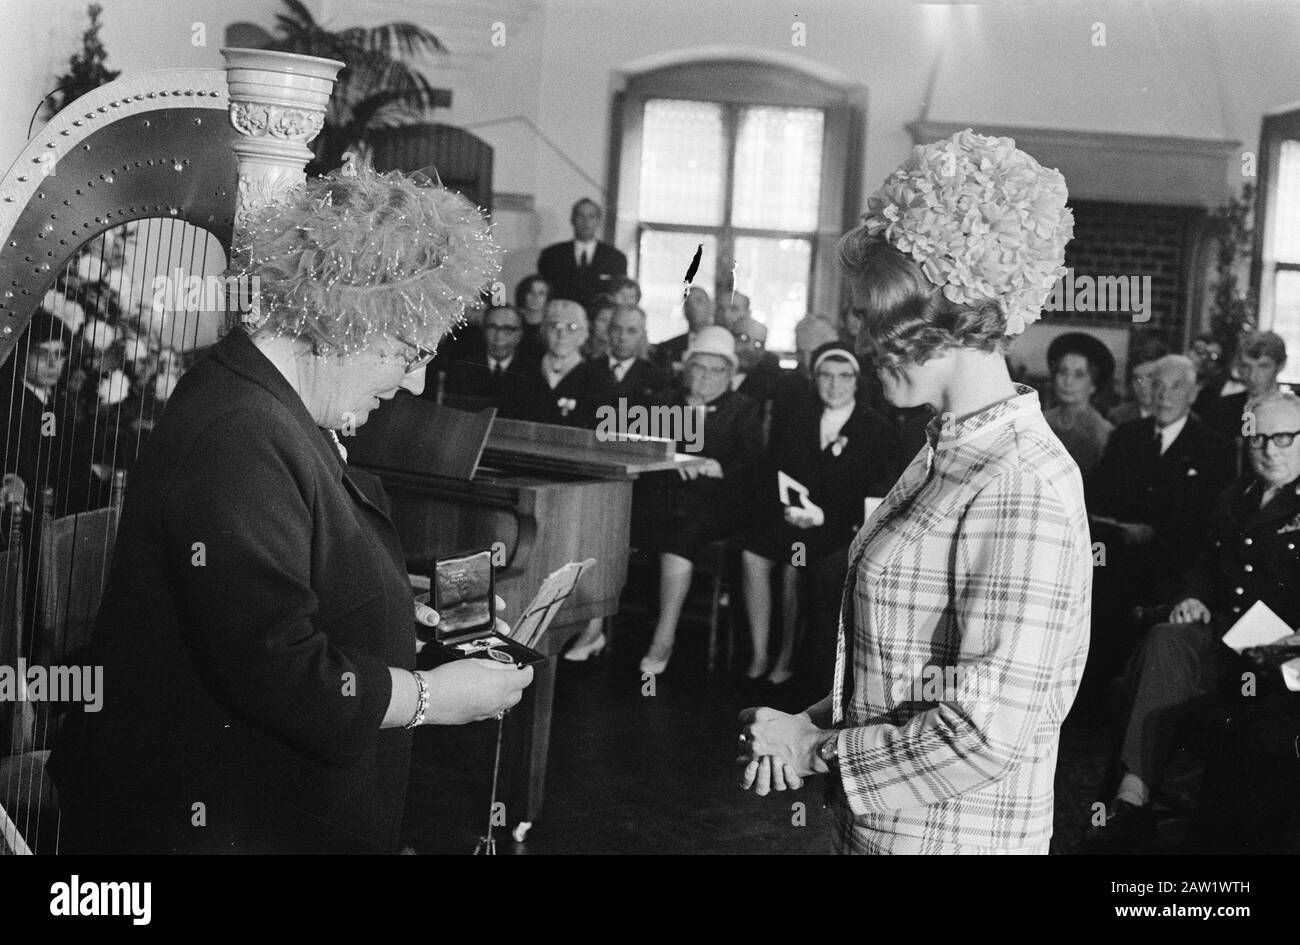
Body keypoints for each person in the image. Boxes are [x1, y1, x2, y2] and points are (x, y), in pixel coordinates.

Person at [50, 161, 533, 854]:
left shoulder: (270, 406)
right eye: (410, 351)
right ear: (351, 319)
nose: (409, 382)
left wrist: (398, 613)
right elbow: (279, 669)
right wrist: (434, 697)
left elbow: (292, 583)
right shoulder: (240, 430)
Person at [737, 129, 1090, 855]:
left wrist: (813, 753)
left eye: (879, 321)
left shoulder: (1017, 482)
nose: (864, 349)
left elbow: (980, 734)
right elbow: (901, 674)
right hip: (890, 828)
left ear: (952, 312)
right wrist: (811, 723)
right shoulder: (944, 445)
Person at [1084, 390, 1300, 852]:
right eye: (1259, 438)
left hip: (1284, 655)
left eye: (1284, 438)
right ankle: (1133, 792)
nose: (1269, 449)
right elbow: (1205, 564)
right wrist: (1193, 598)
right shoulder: (1234, 496)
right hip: (1226, 636)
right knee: (1166, 638)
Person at [741, 341, 900, 693]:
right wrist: (791, 507)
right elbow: (778, 471)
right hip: (795, 518)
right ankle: (759, 652)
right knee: (753, 552)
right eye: (826, 376)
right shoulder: (799, 418)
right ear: (815, 379)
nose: (834, 385)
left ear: (856, 381)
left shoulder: (874, 427)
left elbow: (871, 488)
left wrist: (822, 515)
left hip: (840, 526)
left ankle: (785, 657)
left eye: (844, 377)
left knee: (793, 564)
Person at [632, 326, 762, 675]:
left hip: (719, 503)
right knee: (619, 517)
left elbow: (751, 461)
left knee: (682, 530)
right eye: (698, 368)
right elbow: (640, 446)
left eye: (716, 370)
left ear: (730, 375)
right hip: (666, 497)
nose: (705, 376)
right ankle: (595, 627)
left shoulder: (743, 409)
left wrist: (713, 465)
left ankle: (665, 634)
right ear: (686, 369)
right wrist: (675, 460)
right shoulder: (665, 402)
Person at [509, 299, 602, 426]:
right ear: (543, 330)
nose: (562, 334)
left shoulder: (597, 378)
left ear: (584, 335)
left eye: (572, 327)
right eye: (554, 326)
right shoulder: (520, 371)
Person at [432, 305, 539, 413]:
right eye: (493, 327)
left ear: (519, 335)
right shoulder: (462, 369)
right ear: (483, 329)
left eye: (507, 329)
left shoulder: (532, 374)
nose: (499, 336)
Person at [1043, 331, 1115, 477]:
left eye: (1079, 375)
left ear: (1094, 384)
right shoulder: (1041, 421)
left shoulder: (1103, 434)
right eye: (1063, 372)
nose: (1068, 382)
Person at [536, 198, 628, 309]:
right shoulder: (551, 255)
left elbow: (619, 294)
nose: (586, 222)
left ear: (598, 221)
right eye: (580, 216)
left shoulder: (616, 257)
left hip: (600, 319)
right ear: (572, 220)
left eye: (591, 216)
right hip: (562, 316)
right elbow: (544, 291)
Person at [1107, 338, 1168, 426]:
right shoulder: (1118, 418)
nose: (1142, 385)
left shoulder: (1182, 419)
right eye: (1137, 378)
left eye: (1150, 377)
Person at [653, 286, 712, 375]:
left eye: (699, 301)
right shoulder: (668, 348)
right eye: (688, 303)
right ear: (684, 310)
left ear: (711, 306)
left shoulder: (725, 342)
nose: (693, 307)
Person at [514, 274, 550, 361]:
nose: (535, 297)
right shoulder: (513, 320)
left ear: (548, 297)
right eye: (530, 292)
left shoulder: (551, 324)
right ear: (523, 294)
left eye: (541, 293)